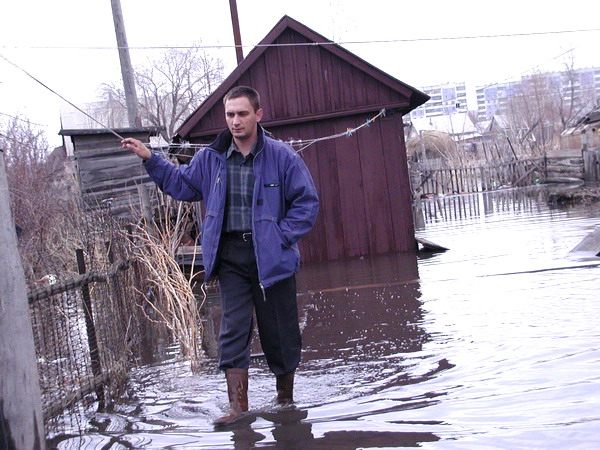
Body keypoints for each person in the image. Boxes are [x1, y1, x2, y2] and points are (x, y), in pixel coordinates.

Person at [121, 86, 319, 426]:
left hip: (273, 259)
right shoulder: (210, 158)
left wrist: (280, 236)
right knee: (233, 331)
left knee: (280, 333)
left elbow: (307, 203)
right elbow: (181, 185)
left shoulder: (282, 157)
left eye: (242, 114)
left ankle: (285, 402)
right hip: (231, 257)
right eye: (230, 115)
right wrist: (150, 159)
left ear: (258, 115)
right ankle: (237, 409)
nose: (235, 121)